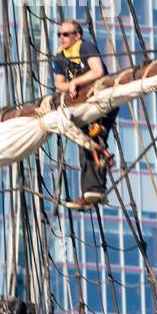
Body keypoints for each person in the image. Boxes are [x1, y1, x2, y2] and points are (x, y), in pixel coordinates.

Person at [52, 20, 115, 211]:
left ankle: (93, 190)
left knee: (93, 138)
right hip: (82, 105)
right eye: (60, 35)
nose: (62, 38)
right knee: (85, 143)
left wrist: (75, 82)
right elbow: (59, 84)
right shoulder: (60, 57)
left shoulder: (85, 47)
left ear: (77, 36)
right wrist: (71, 86)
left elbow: (98, 71)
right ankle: (92, 190)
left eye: (66, 34)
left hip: (101, 99)